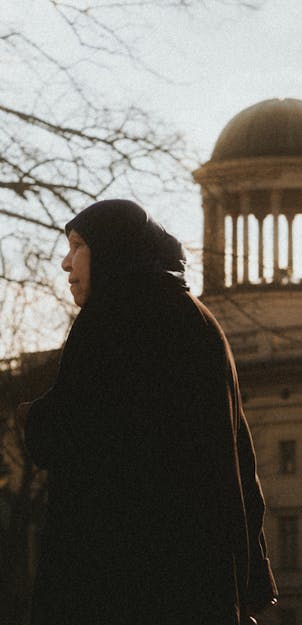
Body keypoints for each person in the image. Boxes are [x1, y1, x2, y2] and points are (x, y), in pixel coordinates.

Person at [20, 199, 277, 625]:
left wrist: (31, 417)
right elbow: (238, 462)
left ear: (111, 250)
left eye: (78, 245)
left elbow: (68, 435)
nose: (66, 263)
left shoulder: (108, 319)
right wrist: (251, 580)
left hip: (118, 580)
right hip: (199, 582)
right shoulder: (203, 323)